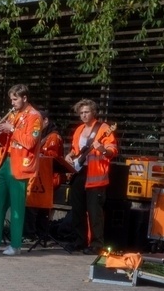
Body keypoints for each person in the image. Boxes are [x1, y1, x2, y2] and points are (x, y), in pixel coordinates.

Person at [0, 84, 42, 256]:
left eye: (15, 99)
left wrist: (11, 129)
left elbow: (29, 142)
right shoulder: (15, 115)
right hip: (7, 161)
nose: (12, 103)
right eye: (11, 99)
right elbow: (8, 141)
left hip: (21, 164)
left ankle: (16, 245)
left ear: (24, 98)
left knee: (17, 206)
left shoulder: (35, 117)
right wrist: (1, 131)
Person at [65, 99, 118, 255]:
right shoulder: (79, 129)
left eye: (86, 112)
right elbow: (76, 150)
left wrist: (102, 149)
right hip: (79, 172)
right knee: (77, 209)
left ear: (94, 112)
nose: (83, 115)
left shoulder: (104, 129)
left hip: (96, 175)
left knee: (95, 212)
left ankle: (96, 244)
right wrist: (69, 155)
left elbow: (112, 151)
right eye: (81, 113)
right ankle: (79, 241)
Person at [24, 110, 63, 241]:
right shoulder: (41, 135)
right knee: (34, 205)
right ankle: (35, 233)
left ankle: (37, 233)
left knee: (38, 206)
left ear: (45, 121)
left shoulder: (53, 137)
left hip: (48, 179)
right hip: (39, 177)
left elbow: (54, 157)